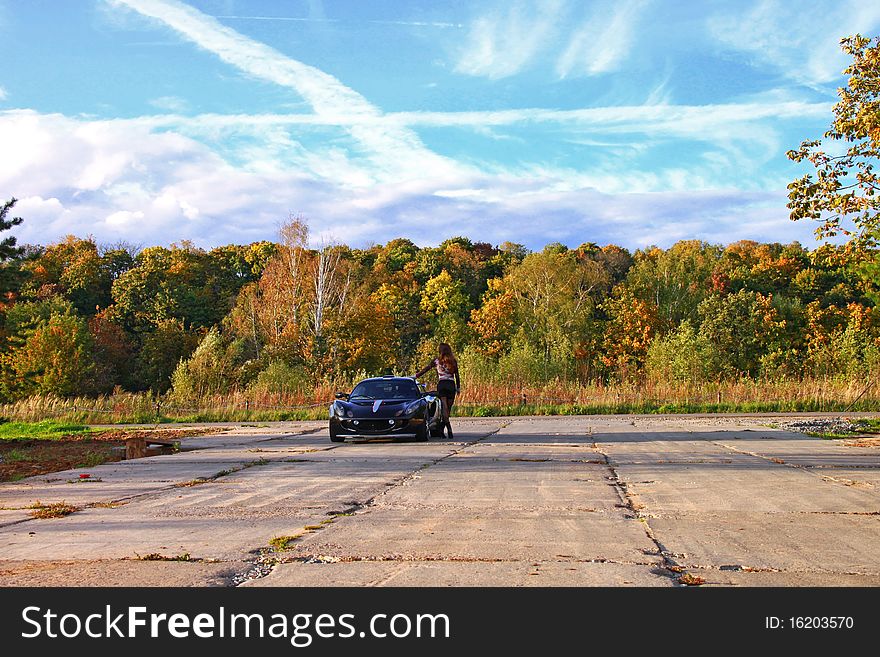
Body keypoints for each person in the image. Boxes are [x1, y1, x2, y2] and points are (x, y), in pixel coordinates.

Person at [414, 343, 461, 439]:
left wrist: (416, 376)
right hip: (451, 385)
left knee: (444, 407)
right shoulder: (453, 361)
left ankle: (447, 429)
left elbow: (426, 369)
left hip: (442, 384)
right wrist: (458, 387)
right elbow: (457, 375)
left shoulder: (437, 361)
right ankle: (446, 429)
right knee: (448, 408)